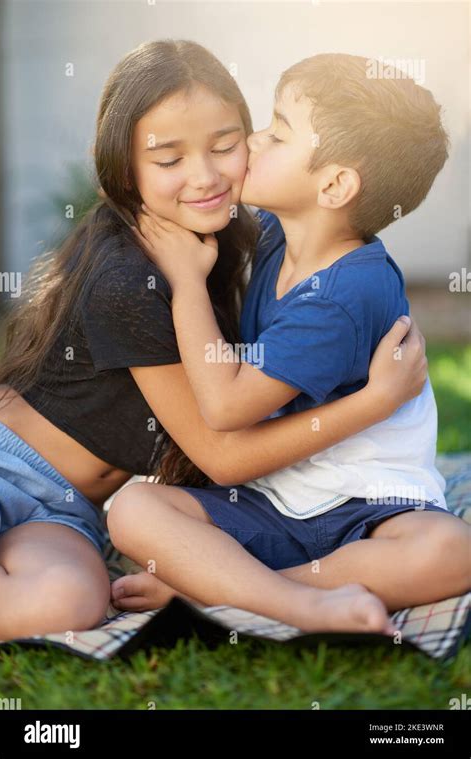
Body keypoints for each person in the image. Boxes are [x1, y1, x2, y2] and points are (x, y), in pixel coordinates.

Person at [108, 52, 470, 620]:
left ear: (334, 185)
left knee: (449, 551)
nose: (251, 141)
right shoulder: (281, 235)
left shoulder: (343, 296)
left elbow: (225, 406)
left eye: (278, 133)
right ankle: (250, 586)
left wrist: (185, 281)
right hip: (271, 500)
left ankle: (244, 589)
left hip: (368, 509)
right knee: (133, 509)